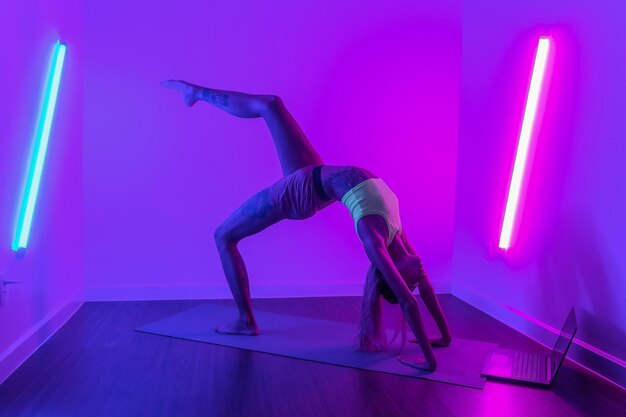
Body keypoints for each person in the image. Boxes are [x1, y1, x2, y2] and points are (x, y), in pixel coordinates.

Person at [162, 80, 451, 371]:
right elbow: (422, 288)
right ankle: (196, 93)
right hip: (313, 178)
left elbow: (408, 302)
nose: (419, 277)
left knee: (222, 236)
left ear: (395, 274)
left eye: (409, 282)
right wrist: (444, 337)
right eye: (415, 281)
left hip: (298, 194)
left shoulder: (373, 239)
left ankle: (245, 321)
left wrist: (428, 361)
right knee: (271, 103)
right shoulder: (396, 234)